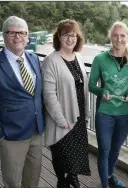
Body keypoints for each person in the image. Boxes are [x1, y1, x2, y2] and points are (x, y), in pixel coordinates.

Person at [0, 16, 44, 188]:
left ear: (27, 36)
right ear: (4, 36)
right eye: (12, 32)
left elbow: (37, 94)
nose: (17, 37)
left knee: (33, 179)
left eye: (21, 33)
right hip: (11, 136)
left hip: (36, 132)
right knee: (13, 182)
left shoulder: (34, 59)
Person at [89, 21, 128, 188]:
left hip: (124, 114)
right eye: (115, 35)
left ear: (127, 37)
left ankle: (110, 177)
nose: (119, 39)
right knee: (104, 151)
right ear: (110, 37)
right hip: (104, 112)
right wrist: (101, 91)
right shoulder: (100, 59)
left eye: (122, 35)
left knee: (115, 149)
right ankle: (105, 185)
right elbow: (91, 85)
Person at [42, 19, 90, 188]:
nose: (70, 39)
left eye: (73, 35)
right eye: (66, 35)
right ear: (59, 37)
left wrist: (86, 113)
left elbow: (83, 86)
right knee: (62, 155)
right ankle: (63, 181)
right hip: (61, 118)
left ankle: (73, 178)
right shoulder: (50, 60)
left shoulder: (78, 57)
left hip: (78, 115)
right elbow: (49, 95)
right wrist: (60, 119)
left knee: (75, 154)